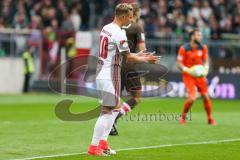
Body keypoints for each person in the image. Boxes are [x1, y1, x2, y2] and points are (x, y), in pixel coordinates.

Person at [88, 3, 159, 156]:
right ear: (123, 16)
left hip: (103, 71)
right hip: (110, 73)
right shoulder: (119, 32)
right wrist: (147, 60)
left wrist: (145, 56)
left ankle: (103, 143)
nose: (131, 19)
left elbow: (126, 55)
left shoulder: (106, 27)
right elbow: (129, 57)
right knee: (108, 110)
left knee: (113, 108)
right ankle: (94, 147)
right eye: (130, 16)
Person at [110, 2, 146, 136]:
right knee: (136, 97)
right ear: (137, 13)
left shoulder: (116, 26)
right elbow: (143, 49)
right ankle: (115, 118)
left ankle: (109, 122)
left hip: (114, 64)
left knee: (114, 98)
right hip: (129, 65)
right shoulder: (137, 27)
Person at [177, 28, 216, 125]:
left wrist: (206, 68)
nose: (200, 37)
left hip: (200, 76)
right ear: (192, 37)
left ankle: (210, 118)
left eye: (200, 35)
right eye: (198, 35)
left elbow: (206, 60)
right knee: (192, 98)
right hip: (189, 75)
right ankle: (183, 117)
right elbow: (179, 64)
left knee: (206, 96)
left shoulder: (203, 47)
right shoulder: (184, 48)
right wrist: (186, 70)